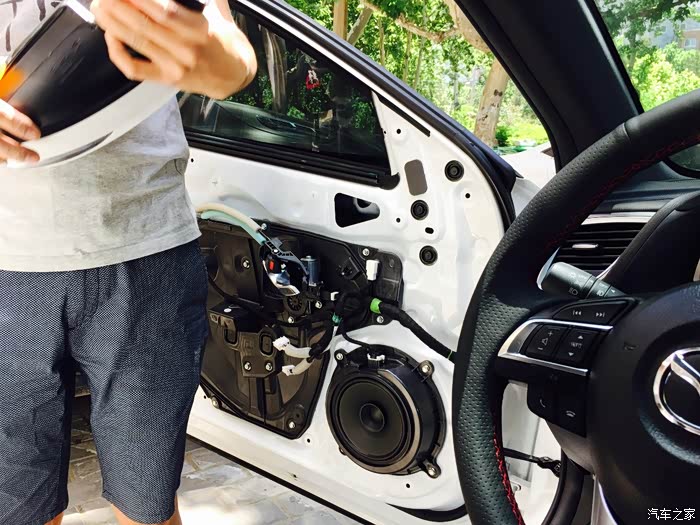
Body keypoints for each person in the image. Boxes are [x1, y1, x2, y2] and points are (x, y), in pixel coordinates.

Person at [0, 1, 256, 524]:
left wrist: (203, 53)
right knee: (16, 511)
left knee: (149, 510)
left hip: (146, 252)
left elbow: (235, 62)